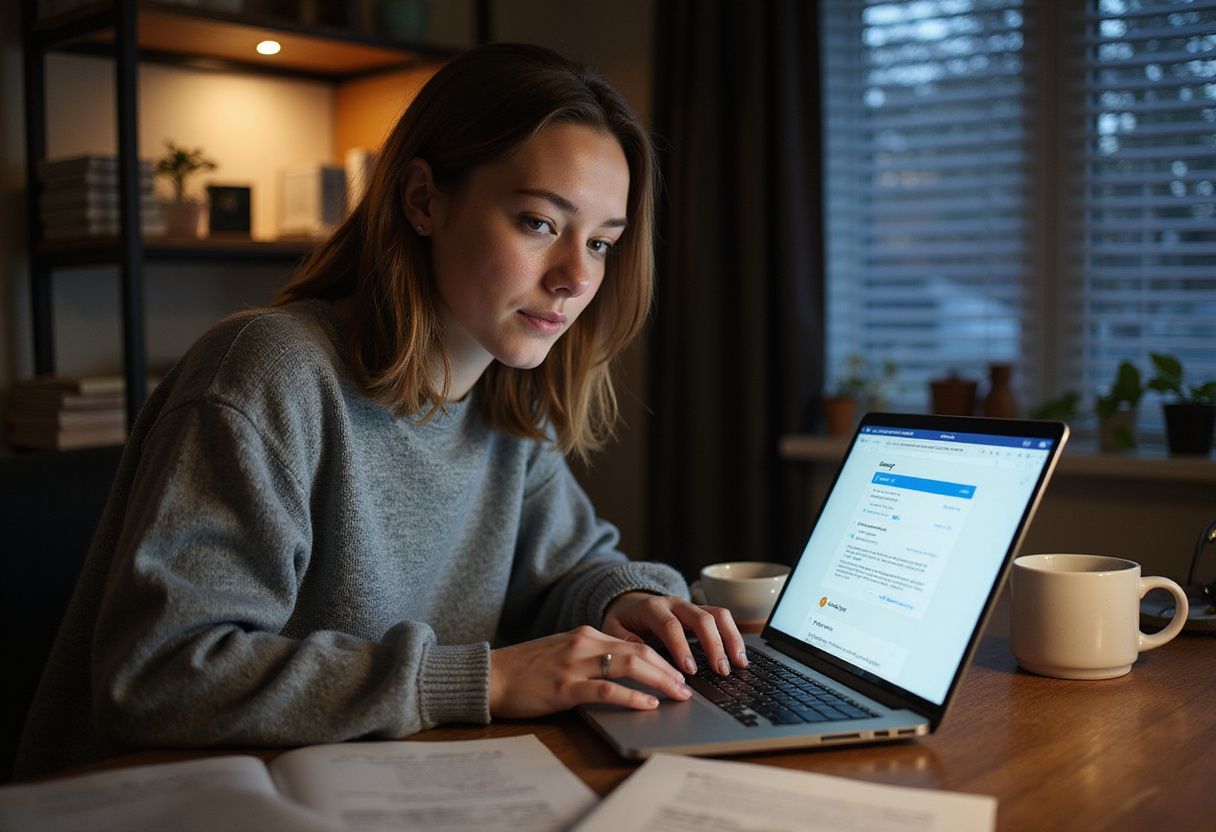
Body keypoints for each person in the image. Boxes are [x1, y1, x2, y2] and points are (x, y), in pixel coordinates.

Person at [15, 42, 746, 779]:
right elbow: (161, 675)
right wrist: (482, 679)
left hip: (368, 780)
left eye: (600, 242)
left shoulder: (507, 399)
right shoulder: (269, 372)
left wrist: (629, 599)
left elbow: (568, 570)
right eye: (538, 223)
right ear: (423, 199)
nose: (575, 277)